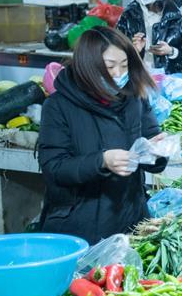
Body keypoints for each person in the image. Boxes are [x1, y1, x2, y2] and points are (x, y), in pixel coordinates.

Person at [37, 27, 168, 245]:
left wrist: (158, 152)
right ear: (87, 67)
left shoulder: (134, 98)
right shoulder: (58, 106)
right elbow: (54, 168)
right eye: (110, 67)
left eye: (124, 65)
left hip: (131, 220)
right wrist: (102, 160)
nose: (119, 74)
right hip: (80, 228)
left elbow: (152, 141)